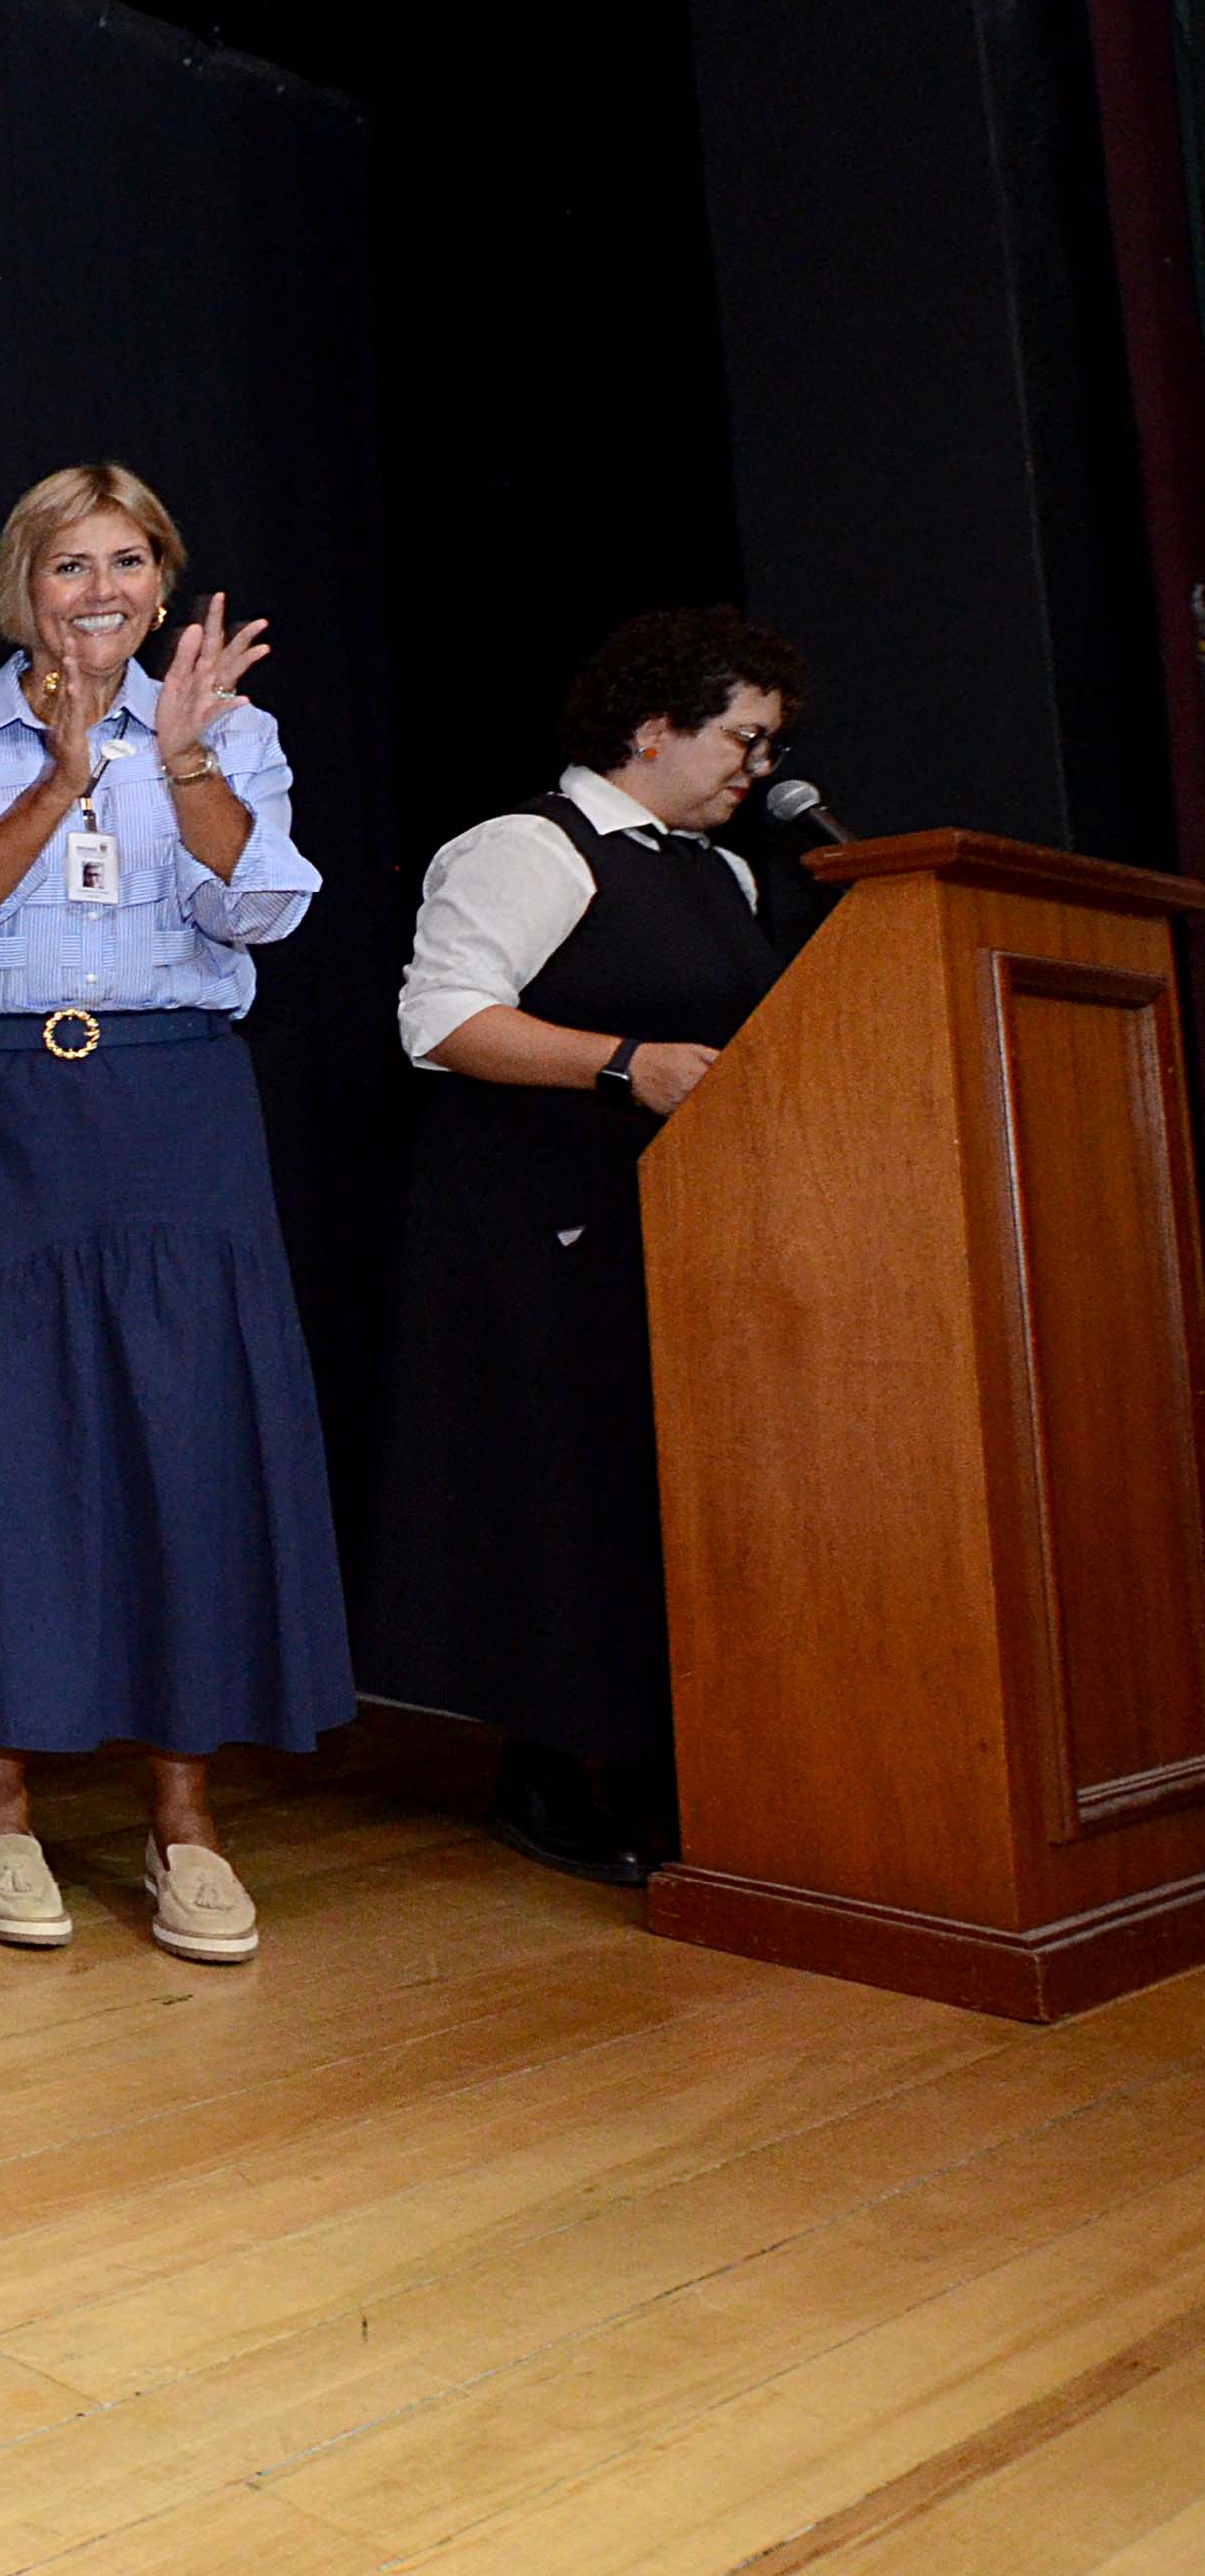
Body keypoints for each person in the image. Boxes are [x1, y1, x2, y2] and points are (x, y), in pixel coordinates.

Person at [0, 463, 351, 1965]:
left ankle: (183, 1820)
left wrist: (183, 761)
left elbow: (259, 909)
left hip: (171, 1099)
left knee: (178, 1438)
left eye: (128, 562)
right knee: (2, 1438)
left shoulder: (231, 732)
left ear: (160, 581)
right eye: (70, 564)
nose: (101, 590)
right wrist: (60, 777)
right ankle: (0, 1808)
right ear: (24, 584)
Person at [368, 607, 808, 1882]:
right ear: (652, 724)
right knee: (559, 1494)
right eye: (741, 737)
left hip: (677, 1228)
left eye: (768, 745)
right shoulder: (526, 846)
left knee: (655, 1497)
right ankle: (547, 1774)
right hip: (534, 1230)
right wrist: (623, 1066)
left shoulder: (718, 869)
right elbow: (439, 1019)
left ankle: (673, 1762)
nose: (756, 768)